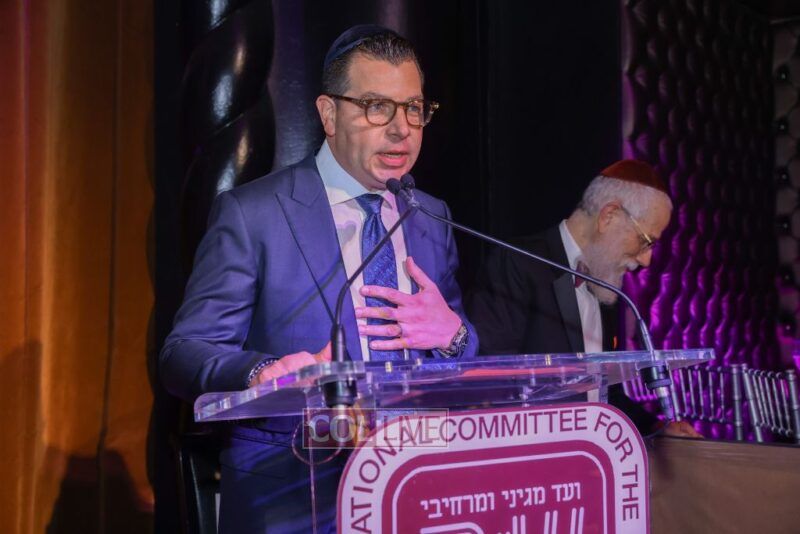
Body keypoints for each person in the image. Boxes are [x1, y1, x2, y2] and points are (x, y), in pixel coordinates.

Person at [160, 25, 477, 532]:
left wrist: (454, 336)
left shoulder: (429, 216)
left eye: (414, 108)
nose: (402, 129)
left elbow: (459, 347)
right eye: (377, 106)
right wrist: (262, 373)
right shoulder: (255, 213)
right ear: (329, 114)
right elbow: (184, 352)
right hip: (293, 494)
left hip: (411, 487)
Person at [467, 160, 701, 438]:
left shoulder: (605, 280)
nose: (647, 259)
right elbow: (490, 385)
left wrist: (657, 428)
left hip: (590, 457)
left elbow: (605, 395)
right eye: (646, 241)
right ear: (609, 215)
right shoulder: (517, 263)